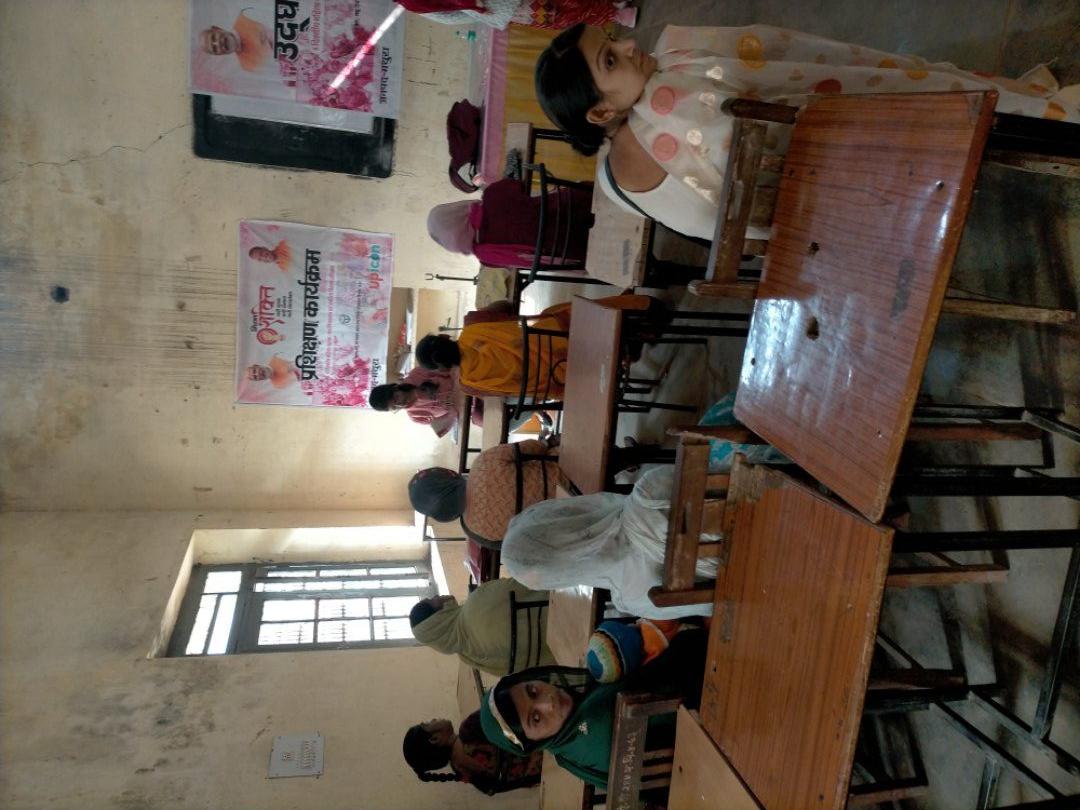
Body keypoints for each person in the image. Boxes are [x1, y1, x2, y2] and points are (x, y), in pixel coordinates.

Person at [534, 24, 1080, 240]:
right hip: (853, 190)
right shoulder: (673, 95)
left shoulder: (610, 182)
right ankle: (1010, 122)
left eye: (614, 38)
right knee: (876, 90)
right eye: (611, 59)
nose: (631, 44)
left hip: (812, 237)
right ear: (599, 112)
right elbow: (788, 71)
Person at [479, 625, 708, 788]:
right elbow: (685, 665)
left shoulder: (567, 756)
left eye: (533, 691)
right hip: (708, 712)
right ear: (532, 743)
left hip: (700, 772)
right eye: (536, 718)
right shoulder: (600, 714)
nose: (548, 702)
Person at [415, 293, 653, 398]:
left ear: (442, 368)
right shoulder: (474, 323)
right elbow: (507, 307)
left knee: (546, 379)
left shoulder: (470, 385)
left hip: (569, 379)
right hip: (566, 339)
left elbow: (511, 393)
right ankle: (636, 314)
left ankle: (618, 355)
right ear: (444, 337)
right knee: (554, 313)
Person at [408, 437, 560, 545]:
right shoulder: (482, 464)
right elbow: (535, 447)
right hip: (566, 474)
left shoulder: (478, 533)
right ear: (447, 474)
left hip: (565, 522)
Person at [427, 176, 594, 269]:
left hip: (578, 251)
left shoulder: (486, 257)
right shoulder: (492, 196)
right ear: (454, 209)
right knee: (575, 188)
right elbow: (517, 184)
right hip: (580, 206)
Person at [409, 578, 555, 675]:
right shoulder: (476, 602)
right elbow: (528, 581)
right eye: (432, 601)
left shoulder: (472, 658)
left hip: (559, 654)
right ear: (437, 619)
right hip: (561, 609)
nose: (436, 596)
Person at [403, 712, 543, 794]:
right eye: (428, 723)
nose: (433, 719)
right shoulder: (469, 729)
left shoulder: (464, 772)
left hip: (548, 771)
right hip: (547, 739)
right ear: (435, 739)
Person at [399, 0, 635, 31]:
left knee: (561, 11)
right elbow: (450, 17)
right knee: (560, 15)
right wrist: (481, 13)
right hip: (508, 8)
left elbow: (452, 18)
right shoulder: (410, 2)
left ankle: (613, 8)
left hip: (502, 9)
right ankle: (614, 12)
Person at [369, 367, 459, 438]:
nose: (400, 404)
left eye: (396, 399)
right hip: (463, 411)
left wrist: (458, 389)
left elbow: (450, 369)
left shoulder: (416, 374)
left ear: (395, 388)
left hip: (463, 383)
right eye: (395, 407)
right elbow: (446, 423)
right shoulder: (415, 416)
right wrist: (452, 409)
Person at [198, 13, 272, 72]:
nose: (217, 43)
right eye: (214, 48)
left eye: (213, 37)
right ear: (219, 54)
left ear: (217, 29)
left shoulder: (246, 17)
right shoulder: (248, 65)